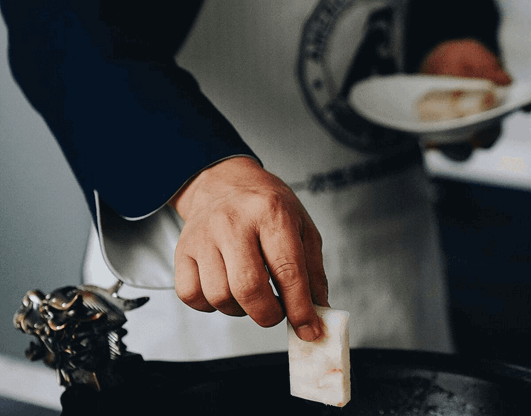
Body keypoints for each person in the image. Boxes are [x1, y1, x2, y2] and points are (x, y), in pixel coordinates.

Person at [0, 0, 511, 361]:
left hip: (391, 242)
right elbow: (58, 24)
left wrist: (449, 37)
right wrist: (204, 176)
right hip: (208, 276)